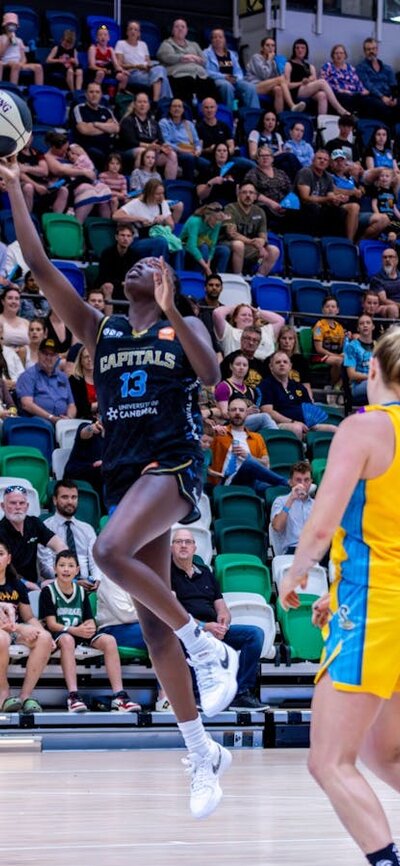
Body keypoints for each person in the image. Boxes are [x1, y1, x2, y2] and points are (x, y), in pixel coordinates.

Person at [0, 154, 239, 820]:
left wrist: (175, 308)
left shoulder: (179, 327)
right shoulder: (98, 328)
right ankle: (201, 756)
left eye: (153, 265)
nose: (139, 267)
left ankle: (206, 647)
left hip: (174, 464)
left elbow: (214, 376)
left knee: (106, 554)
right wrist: (18, 188)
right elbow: (42, 267)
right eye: (133, 266)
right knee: (152, 629)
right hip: (129, 476)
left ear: (165, 282)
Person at [279, 327, 400, 866]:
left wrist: (298, 572)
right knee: (386, 754)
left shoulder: (367, 428)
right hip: (375, 603)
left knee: (328, 761)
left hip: (375, 607)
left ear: (371, 369)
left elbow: (324, 520)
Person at [171, 527, 267, 710]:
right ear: (171, 547)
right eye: (178, 542)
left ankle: (240, 694)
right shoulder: (166, 572)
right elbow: (174, 612)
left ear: (194, 548)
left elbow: (221, 606)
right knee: (185, 637)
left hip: (213, 628)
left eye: (188, 542)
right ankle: (198, 695)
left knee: (255, 634)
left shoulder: (205, 572)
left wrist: (223, 620)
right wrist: (205, 626)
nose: (183, 545)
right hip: (187, 630)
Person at [39, 549, 139, 713]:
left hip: (80, 633)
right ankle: (73, 696)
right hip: (60, 634)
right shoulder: (48, 591)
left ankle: (119, 696)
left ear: (77, 570)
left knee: (109, 640)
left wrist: (90, 626)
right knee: (67, 640)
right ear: (55, 569)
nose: (66, 569)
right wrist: (75, 630)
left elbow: (89, 620)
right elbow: (51, 624)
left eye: (70, 566)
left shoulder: (81, 592)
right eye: (62, 565)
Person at [96, 573, 169, 712]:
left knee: (171, 634)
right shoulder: (110, 578)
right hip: (114, 629)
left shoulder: (139, 578)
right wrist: (154, 614)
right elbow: (125, 615)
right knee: (160, 633)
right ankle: (164, 696)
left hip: (138, 626)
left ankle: (172, 695)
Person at [0, 540, 53, 713]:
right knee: (1, 638)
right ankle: (3, 693)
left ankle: (25, 696)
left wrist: (43, 632)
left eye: (1, 554)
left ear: (8, 559)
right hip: (3, 632)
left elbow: (29, 617)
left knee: (44, 638)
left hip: (14, 630)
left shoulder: (16, 585)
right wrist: (21, 628)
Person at [209, 396, 285, 491]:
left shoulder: (257, 437)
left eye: (241, 410)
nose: (237, 413)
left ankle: (297, 486)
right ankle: (286, 482)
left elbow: (266, 464)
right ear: (228, 413)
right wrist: (212, 431)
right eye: (233, 410)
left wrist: (248, 456)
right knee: (248, 463)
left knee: (278, 489)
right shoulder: (220, 434)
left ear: (246, 414)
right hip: (227, 482)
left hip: (253, 483)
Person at [38, 480, 103, 592]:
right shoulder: (45, 528)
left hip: (88, 583)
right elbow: (45, 567)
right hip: (58, 584)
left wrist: (96, 579)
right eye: (64, 497)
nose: (70, 501)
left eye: (74, 497)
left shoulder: (87, 529)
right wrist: (72, 581)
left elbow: (95, 560)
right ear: (54, 500)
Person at [259, 351, 338, 439]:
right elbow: (268, 411)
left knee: (334, 429)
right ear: (271, 367)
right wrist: (292, 422)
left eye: (285, 362)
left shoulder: (298, 386)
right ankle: (301, 450)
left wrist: (310, 423)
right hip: (278, 424)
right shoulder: (266, 385)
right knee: (297, 428)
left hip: (304, 424)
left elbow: (310, 409)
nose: (282, 364)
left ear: (290, 366)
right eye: (278, 362)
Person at [0, 485, 65, 590]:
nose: (18, 507)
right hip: (8, 587)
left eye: (22, 503)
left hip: (34, 585)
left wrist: (62, 572)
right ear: (3, 506)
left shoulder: (34, 523)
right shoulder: (1, 531)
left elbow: (60, 545)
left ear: (27, 506)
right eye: (12, 503)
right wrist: (28, 584)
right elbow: (3, 569)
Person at [222, 181, 281, 276]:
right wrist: (252, 242)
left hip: (250, 246)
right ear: (239, 193)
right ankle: (238, 277)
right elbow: (231, 233)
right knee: (239, 244)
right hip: (229, 244)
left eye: (251, 193)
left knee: (274, 250)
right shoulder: (230, 208)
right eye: (244, 192)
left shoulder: (260, 211)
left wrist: (261, 242)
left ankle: (259, 277)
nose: (248, 195)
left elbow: (263, 235)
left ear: (256, 196)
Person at [296, 149, 357, 239]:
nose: (322, 161)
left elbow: (330, 196)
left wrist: (337, 198)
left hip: (317, 208)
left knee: (339, 211)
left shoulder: (327, 177)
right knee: (313, 208)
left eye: (325, 160)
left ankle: (332, 242)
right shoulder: (306, 172)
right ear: (313, 160)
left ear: (328, 163)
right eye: (319, 158)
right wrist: (327, 199)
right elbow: (305, 198)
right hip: (300, 207)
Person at [16, 337, 76, 423]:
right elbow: (26, 404)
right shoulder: (28, 376)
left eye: (52, 354)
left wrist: (69, 418)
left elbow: (71, 405)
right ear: (38, 354)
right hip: (38, 423)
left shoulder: (63, 377)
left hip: (63, 423)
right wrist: (51, 417)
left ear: (57, 357)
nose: (48, 357)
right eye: (45, 353)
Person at [284, 37, 349, 116]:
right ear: (294, 50)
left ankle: (321, 123)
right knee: (322, 82)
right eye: (297, 48)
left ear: (306, 50)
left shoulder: (310, 66)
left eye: (303, 48)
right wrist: (301, 82)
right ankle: (340, 109)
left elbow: (314, 82)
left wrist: (310, 80)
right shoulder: (289, 64)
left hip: (309, 90)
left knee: (322, 95)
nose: (300, 50)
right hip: (296, 91)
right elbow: (287, 85)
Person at [118, 92, 178, 178]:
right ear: (134, 105)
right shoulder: (128, 120)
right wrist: (148, 146)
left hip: (152, 152)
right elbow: (131, 141)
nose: (142, 104)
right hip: (131, 151)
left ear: (149, 105)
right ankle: (138, 184)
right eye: (139, 102)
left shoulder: (154, 122)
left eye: (145, 102)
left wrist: (164, 147)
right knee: (142, 151)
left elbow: (161, 141)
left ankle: (170, 186)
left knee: (172, 155)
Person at [157, 18, 216, 103]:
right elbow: (166, 57)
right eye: (177, 27)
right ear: (173, 30)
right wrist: (183, 57)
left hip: (199, 75)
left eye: (183, 27)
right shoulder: (167, 44)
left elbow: (204, 61)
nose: (180, 29)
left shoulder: (194, 45)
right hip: (178, 75)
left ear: (186, 31)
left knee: (210, 83)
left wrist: (193, 58)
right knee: (187, 82)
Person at [214, 351, 276, 431]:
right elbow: (224, 414)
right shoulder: (224, 386)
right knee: (264, 417)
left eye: (245, 365)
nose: (241, 367)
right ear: (231, 366)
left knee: (265, 422)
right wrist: (245, 413)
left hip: (248, 424)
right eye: (238, 364)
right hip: (231, 425)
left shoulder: (251, 390)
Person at [114, 20, 171, 102]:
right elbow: (119, 64)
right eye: (131, 29)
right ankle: (162, 102)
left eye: (135, 30)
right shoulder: (121, 44)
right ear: (127, 32)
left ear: (139, 33)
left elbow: (148, 61)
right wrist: (136, 66)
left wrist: (148, 66)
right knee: (162, 78)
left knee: (160, 69)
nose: (133, 31)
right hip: (131, 73)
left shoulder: (143, 44)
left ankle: (156, 102)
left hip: (145, 72)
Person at [246, 35, 306, 112]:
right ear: (262, 48)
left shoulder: (273, 62)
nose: (270, 48)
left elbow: (276, 78)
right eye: (267, 45)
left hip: (267, 86)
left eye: (273, 46)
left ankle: (279, 117)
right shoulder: (256, 58)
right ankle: (292, 105)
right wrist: (269, 60)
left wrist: (275, 64)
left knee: (278, 89)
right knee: (280, 79)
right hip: (254, 86)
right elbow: (265, 75)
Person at [204, 29, 259, 111]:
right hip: (218, 80)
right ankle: (231, 114)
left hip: (233, 80)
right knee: (227, 86)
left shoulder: (231, 54)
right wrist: (225, 77)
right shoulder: (206, 53)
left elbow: (238, 71)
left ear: (224, 40)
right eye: (215, 37)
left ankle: (253, 114)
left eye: (220, 37)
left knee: (250, 87)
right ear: (211, 40)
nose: (218, 39)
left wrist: (235, 78)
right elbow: (206, 71)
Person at [213, 298, 283, 360]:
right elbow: (217, 313)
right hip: (238, 366)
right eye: (243, 315)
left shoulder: (265, 331)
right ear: (235, 318)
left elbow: (280, 320)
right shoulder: (229, 332)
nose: (247, 317)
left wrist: (259, 313)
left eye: (250, 315)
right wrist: (234, 308)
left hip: (265, 368)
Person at [70, 82, 119, 170]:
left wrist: (95, 124)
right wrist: (106, 127)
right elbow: (84, 130)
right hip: (86, 146)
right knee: (99, 154)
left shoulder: (106, 111)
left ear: (101, 95)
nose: (94, 95)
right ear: (86, 94)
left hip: (106, 146)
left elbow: (116, 128)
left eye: (97, 92)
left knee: (118, 156)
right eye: (91, 92)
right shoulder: (79, 108)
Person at [158, 97, 209, 182]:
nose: (177, 109)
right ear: (170, 109)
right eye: (174, 106)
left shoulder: (188, 124)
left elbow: (196, 142)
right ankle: (188, 186)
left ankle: (199, 188)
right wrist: (182, 150)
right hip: (175, 152)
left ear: (183, 110)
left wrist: (198, 151)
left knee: (206, 164)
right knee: (189, 159)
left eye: (179, 106)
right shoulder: (164, 123)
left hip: (191, 152)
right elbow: (166, 142)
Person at [271, 460, 314, 554]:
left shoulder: (316, 505)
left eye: (306, 480)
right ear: (290, 482)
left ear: (311, 482)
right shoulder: (281, 501)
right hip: (292, 549)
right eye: (298, 480)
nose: (302, 484)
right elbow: (277, 527)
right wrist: (291, 499)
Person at [356, 37, 400, 126]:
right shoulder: (361, 67)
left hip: (388, 97)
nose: (371, 51)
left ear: (377, 50)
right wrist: (382, 97)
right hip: (372, 97)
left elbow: (394, 85)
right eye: (368, 49)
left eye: (373, 49)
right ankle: (390, 136)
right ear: (365, 52)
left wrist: (394, 98)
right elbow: (368, 85)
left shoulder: (387, 68)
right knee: (381, 107)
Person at [320, 44, 371, 115]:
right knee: (346, 98)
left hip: (353, 94)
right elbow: (325, 84)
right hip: (337, 94)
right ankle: (349, 118)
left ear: (345, 55)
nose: (339, 55)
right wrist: (342, 91)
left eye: (341, 53)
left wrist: (362, 90)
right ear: (332, 55)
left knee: (368, 100)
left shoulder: (351, 68)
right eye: (336, 53)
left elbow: (357, 82)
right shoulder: (327, 67)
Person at [180, 203, 231, 275]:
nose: (217, 223)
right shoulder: (195, 221)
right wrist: (206, 267)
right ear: (208, 216)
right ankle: (199, 276)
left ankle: (219, 277)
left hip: (204, 246)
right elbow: (191, 246)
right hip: (186, 246)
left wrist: (209, 262)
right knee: (204, 247)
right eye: (216, 220)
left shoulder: (217, 223)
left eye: (219, 221)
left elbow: (212, 245)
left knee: (224, 250)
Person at [0, 11, 43, 85]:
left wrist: (21, 63)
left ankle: (39, 89)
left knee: (38, 67)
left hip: (18, 63)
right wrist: (8, 42)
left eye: (13, 25)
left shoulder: (19, 40)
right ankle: (13, 88)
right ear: (5, 26)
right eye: (9, 24)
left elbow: (23, 57)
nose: (11, 27)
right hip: (5, 62)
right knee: (15, 65)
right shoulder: (2, 38)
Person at [312, 296, 346, 385]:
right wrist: (337, 356)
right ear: (323, 310)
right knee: (339, 361)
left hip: (335, 355)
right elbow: (319, 349)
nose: (330, 309)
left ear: (337, 310)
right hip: (320, 356)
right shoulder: (319, 326)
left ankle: (339, 386)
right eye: (327, 306)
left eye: (333, 307)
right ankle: (332, 386)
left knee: (351, 360)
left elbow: (342, 347)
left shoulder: (340, 327)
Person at [196, 142, 240, 208]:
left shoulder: (235, 170)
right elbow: (201, 196)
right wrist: (211, 182)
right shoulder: (206, 170)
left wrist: (234, 184)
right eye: (219, 151)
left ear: (228, 153)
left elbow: (240, 193)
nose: (222, 153)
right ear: (214, 153)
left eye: (224, 151)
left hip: (231, 206)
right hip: (212, 205)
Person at [343, 313, 375, 405]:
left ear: (373, 327)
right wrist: (371, 377)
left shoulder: (379, 346)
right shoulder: (351, 347)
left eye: (368, 323)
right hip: (358, 386)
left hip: (376, 383)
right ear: (358, 328)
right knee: (375, 385)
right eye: (361, 323)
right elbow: (352, 374)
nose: (365, 325)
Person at [88, 24, 128, 91]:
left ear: (108, 38)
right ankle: (96, 92)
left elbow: (116, 65)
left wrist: (123, 71)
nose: (103, 37)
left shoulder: (110, 49)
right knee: (101, 73)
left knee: (124, 77)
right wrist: (102, 69)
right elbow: (92, 66)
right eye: (100, 35)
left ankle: (119, 96)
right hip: (96, 71)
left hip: (108, 71)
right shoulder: (93, 48)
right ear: (96, 38)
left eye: (105, 35)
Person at [371, 168, 400, 243]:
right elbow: (374, 204)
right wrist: (378, 214)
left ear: (391, 180)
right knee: (388, 225)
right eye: (382, 176)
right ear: (379, 178)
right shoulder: (377, 190)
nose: (384, 178)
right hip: (383, 215)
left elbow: (392, 207)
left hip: (391, 216)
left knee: (397, 225)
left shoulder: (391, 193)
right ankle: (388, 237)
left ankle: (392, 237)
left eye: (387, 176)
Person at [68, 345, 98, 419]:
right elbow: (80, 408)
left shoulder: (103, 378)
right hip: (83, 419)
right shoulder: (74, 380)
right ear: (80, 360)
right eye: (86, 357)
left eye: (91, 356)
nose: (89, 359)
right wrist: (100, 405)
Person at [370, 248, 400, 319]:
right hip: (384, 307)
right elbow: (383, 300)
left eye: (390, 257)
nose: (387, 260)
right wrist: (398, 305)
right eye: (385, 257)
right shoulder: (377, 279)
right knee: (393, 309)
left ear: (396, 260)